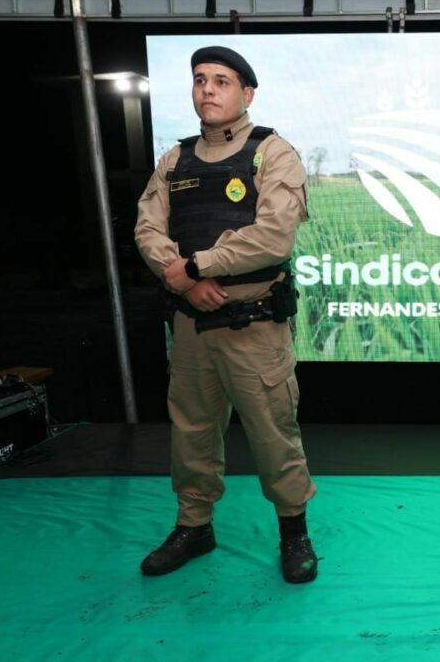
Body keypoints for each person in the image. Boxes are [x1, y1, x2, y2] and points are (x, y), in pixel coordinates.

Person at [133, 46, 318, 582]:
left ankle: (294, 532)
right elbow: (148, 228)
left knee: (273, 434)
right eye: (199, 80)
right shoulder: (175, 159)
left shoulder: (273, 152)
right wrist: (186, 282)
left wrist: (195, 266)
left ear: (247, 93)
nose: (208, 90)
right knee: (191, 432)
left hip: (252, 327)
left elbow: (273, 236)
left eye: (221, 81)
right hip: (191, 326)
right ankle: (194, 527)